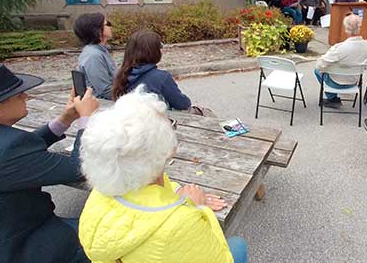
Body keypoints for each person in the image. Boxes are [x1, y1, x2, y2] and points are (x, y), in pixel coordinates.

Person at [78, 88, 247, 263]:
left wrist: (176, 195)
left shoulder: (98, 194)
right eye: (170, 124)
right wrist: (195, 208)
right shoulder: (182, 223)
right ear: (163, 151)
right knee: (237, 245)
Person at [0, 64, 99, 263]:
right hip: (24, 244)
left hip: (8, 231)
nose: (26, 97)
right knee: (110, 236)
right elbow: (78, 168)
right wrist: (87, 120)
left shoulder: (8, 146)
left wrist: (65, 119)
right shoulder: (10, 151)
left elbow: (20, 151)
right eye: (18, 95)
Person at [112, 30, 192, 110]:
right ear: (154, 51)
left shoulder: (121, 75)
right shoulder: (161, 78)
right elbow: (182, 104)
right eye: (159, 46)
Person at [314, 15, 367, 106]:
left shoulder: (340, 48)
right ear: (359, 28)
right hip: (354, 82)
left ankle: (332, 99)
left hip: (336, 83)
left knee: (317, 70)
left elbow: (320, 64)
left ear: (346, 29)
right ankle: (333, 98)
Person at [74, 12, 116, 100]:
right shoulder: (93, 55)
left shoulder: (100, 50)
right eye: (107, 24)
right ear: (97, 30)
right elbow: (105, 90)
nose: (110, 26)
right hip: (102, 104)